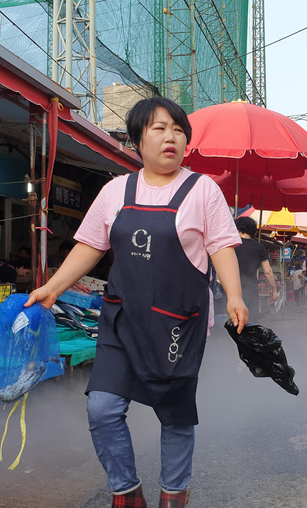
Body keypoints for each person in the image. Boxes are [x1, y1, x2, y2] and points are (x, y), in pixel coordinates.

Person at [24, 97, 247, 508]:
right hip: (121, 320)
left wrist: (234, 294)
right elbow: (90, 246)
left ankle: (173, 495)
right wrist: (52, 288)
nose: (171, 137)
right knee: (102, 410)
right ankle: (126, 493)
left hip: (178, 323)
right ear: (137, 140)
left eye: (179, 131)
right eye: (159, 129)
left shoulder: (203, 191)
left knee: (175, 416)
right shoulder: (115, 191)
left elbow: (221, 248)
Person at [234, 216, 277, 322]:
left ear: (238, 229)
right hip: (251, 287)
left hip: (233, 288)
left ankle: (235, 338)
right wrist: (274, 289)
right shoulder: (259, 247)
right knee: (251, 318)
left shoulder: (232, 246)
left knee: (235, 319)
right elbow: (267, 271)